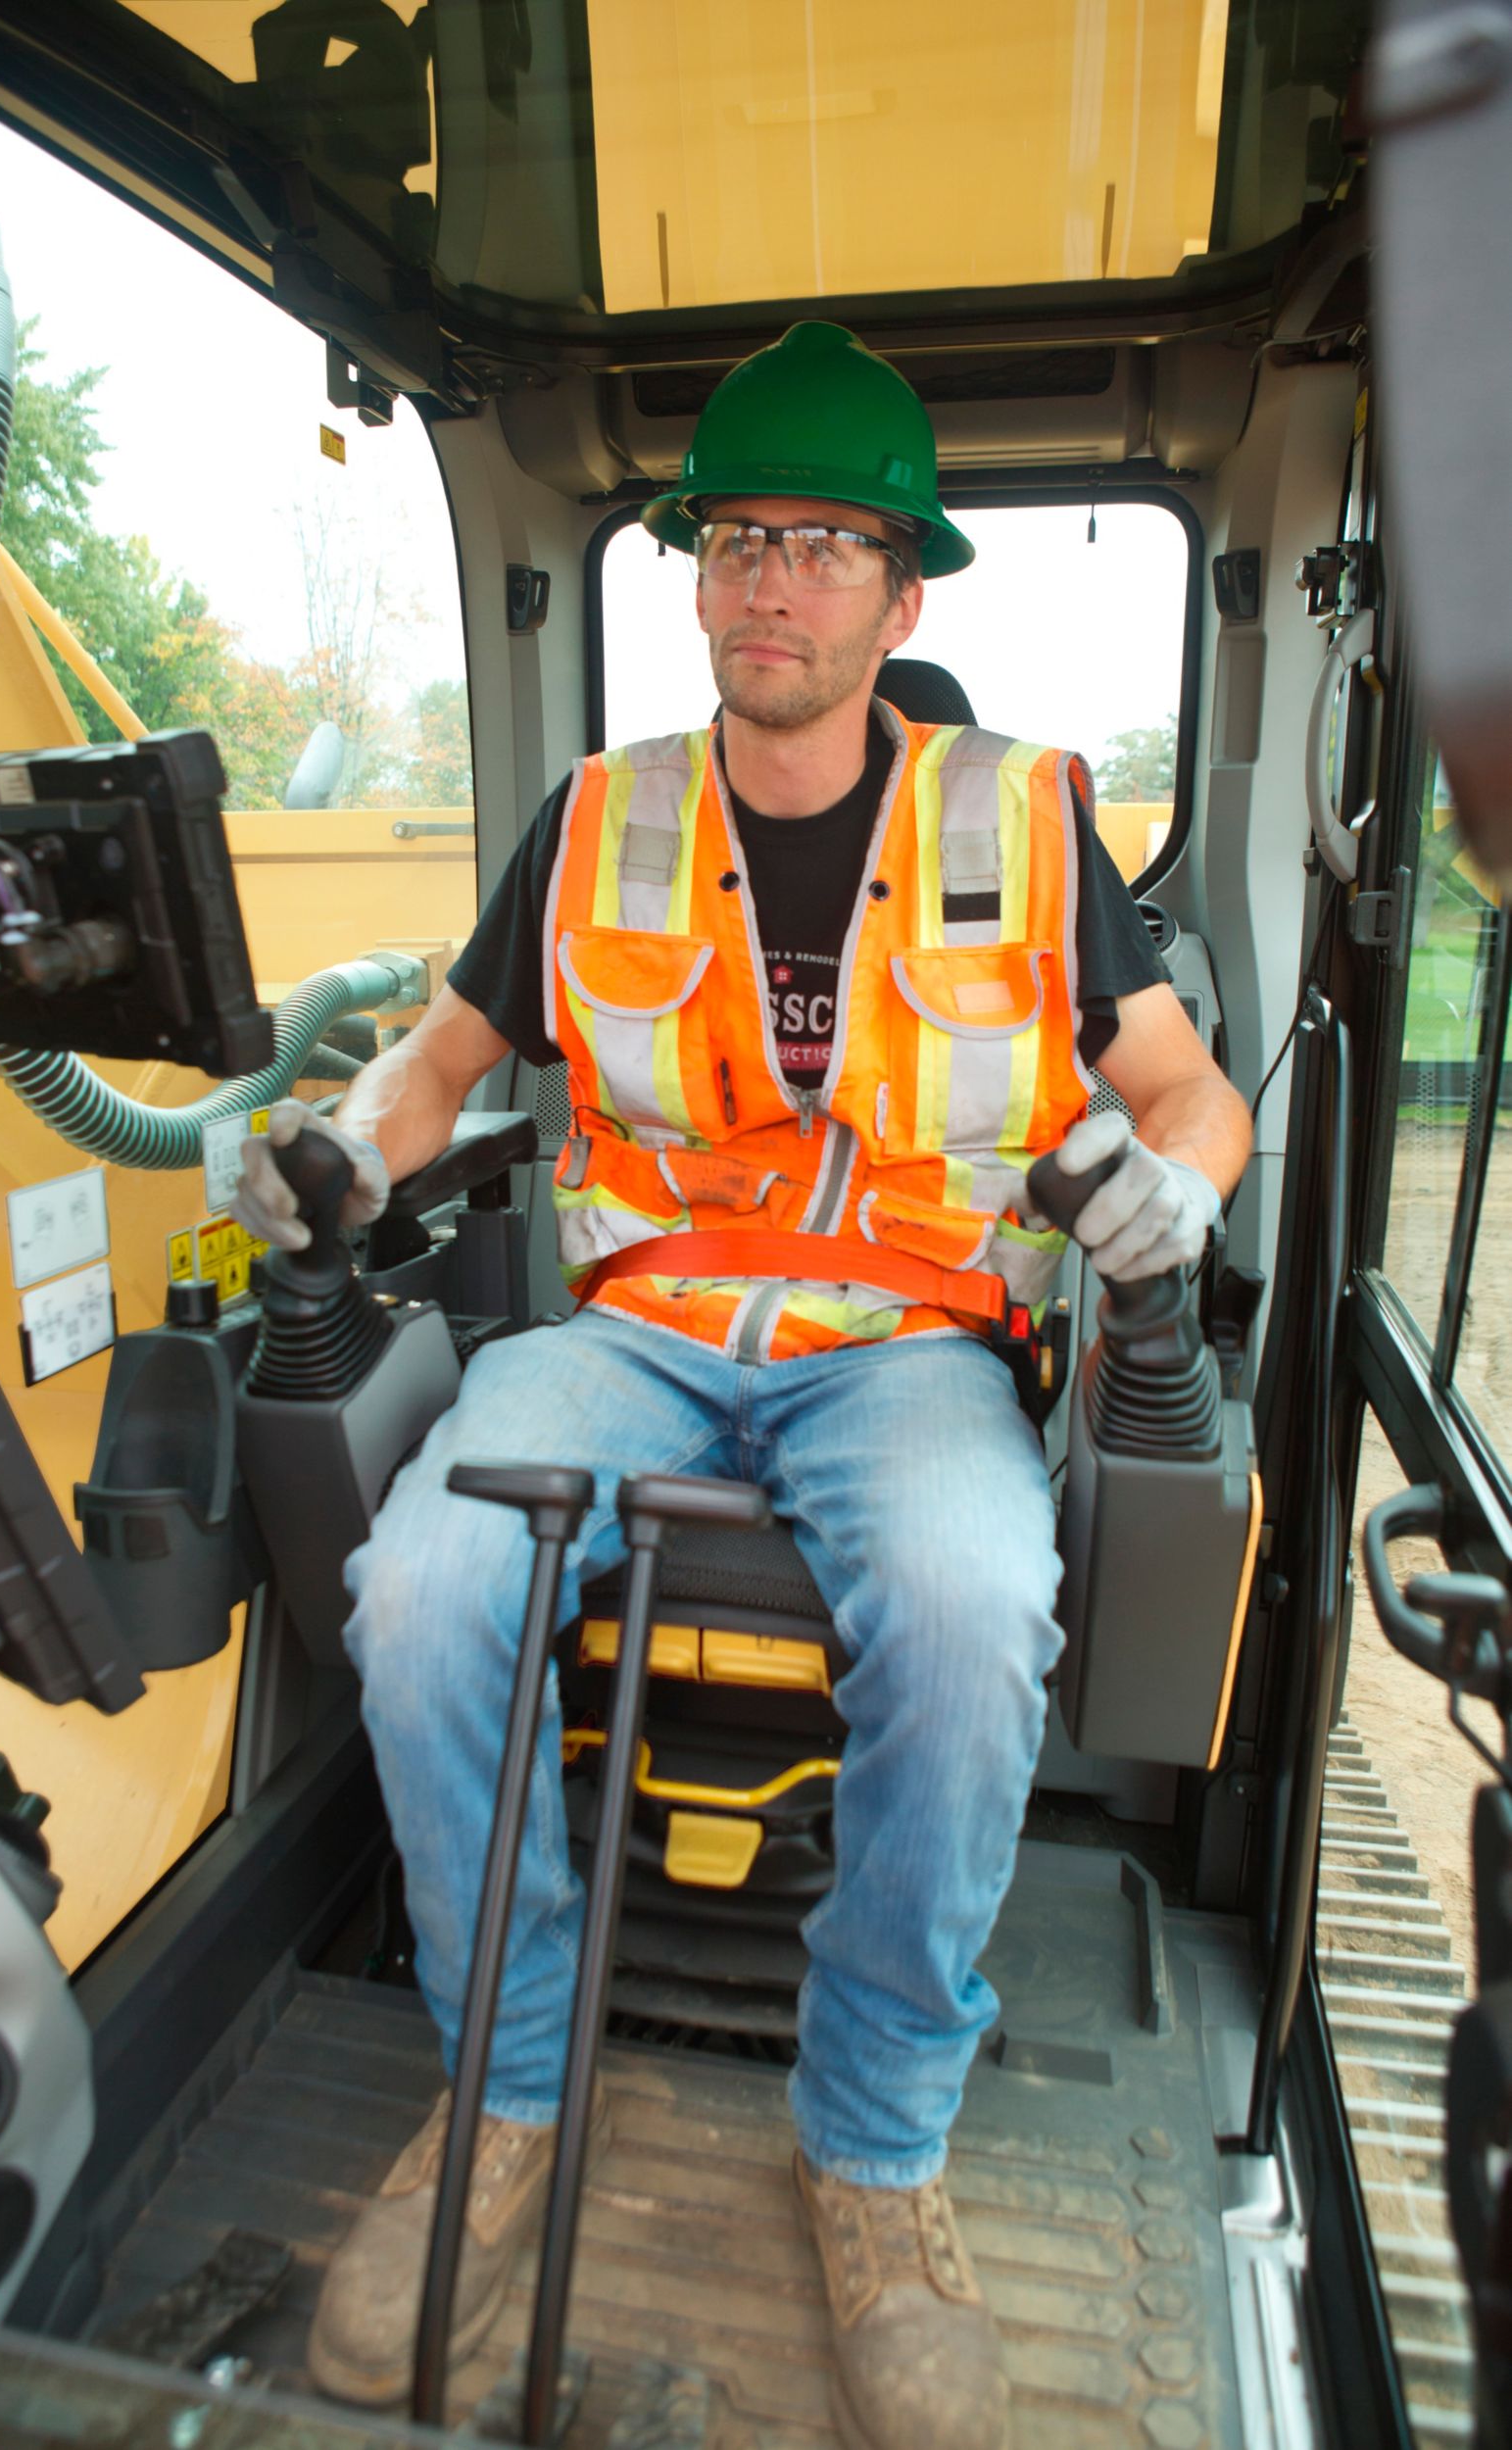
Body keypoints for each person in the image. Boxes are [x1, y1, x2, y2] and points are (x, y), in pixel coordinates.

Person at [236, 320, 1253, 2450]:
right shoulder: (597, 816)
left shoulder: (1029, 814)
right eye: (739, 541)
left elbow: (1184, 1087)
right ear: (697, 575)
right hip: (639, 1332)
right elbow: (439, 1064)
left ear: (902, 593)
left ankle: (875, 2152)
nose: (770, 583)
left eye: (826, 545)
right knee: (422, 1587)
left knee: (979, 1607)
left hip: (904, 1347)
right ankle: (505, 2095)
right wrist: (351, 1141)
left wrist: (1170, 1187)